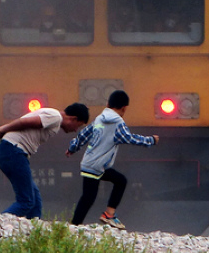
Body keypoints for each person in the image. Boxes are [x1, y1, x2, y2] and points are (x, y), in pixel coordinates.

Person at [65, 90, 158, 230]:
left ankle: (86, 221)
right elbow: (129, 138)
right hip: (96, 166)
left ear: (108, 104)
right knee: (91, 196)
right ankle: (80, 223)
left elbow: (83, 135)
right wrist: (151, 140)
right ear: (124, 108)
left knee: (112, 185)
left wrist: (72, 148)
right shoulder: (118, 123)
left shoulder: (99, 119)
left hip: (91, 163)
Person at [0, 103, 90, 219]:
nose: (75, 130)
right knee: (26, 202)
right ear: (73, 119)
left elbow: (23, 122)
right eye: (78, 125)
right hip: (14, 152)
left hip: (11, 152)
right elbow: (23, 123)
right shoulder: (56, 117)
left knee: (35, 202)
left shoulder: (52, 116)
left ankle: (33, 231)